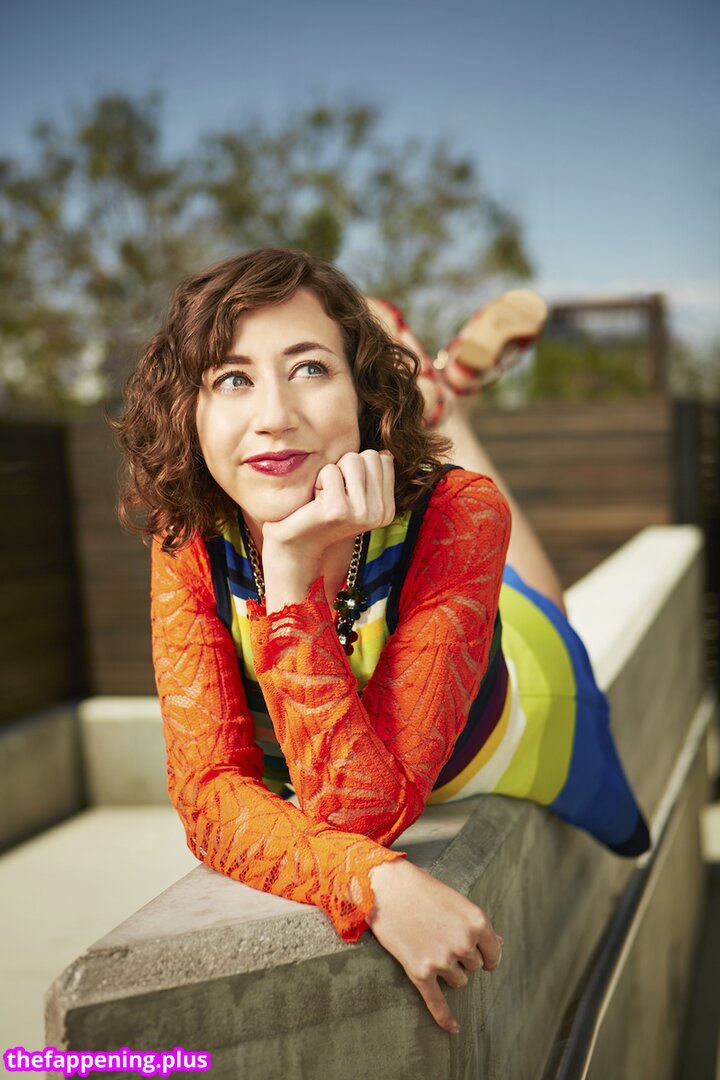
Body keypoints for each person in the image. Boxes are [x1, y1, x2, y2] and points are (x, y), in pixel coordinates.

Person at [114, 247, 649, 1037]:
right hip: (423, 620)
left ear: (363, 394)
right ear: (187, 410)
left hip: (515, 697)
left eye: (309, 368)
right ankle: (445, 394)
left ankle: (443, 411)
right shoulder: (188, 540)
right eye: (232, 378)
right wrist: (376, 886)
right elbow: (208, 794)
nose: (273, 415)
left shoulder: (461, 514)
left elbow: (362, 815)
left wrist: (287, 580)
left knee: (547, 611)